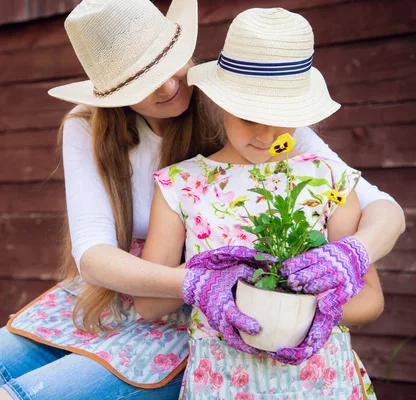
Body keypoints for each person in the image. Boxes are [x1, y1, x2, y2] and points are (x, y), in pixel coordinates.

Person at [0, 1, 404, 399]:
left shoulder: (249, 108)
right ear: (110, 94)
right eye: (144, 82)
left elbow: (380, 208)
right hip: (139, 291)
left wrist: (350, 254)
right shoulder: (88, 129)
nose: (171, 87)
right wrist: (195, 283)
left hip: (214, 315)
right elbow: (94, 255)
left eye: (173, 66)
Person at [135, 8, 384, 399]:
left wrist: (312, 311)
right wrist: (211, 279)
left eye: (282, 116)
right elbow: (148, 301)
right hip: (222, 383)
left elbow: (370, 298)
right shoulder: (181, 184)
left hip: (320, 383)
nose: (267, 134)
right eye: (250, 115)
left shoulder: (329, 179)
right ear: (220, 101)